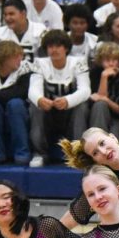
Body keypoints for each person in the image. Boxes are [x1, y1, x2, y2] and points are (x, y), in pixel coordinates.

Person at [28, 29, 90, 167]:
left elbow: (85, 90)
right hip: (48, 112)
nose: (54, 50)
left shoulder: (78, 62)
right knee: (35, 105)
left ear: (66, 48)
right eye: (50, 46)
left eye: (58, 46)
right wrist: (40, 99)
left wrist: (67, 101)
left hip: (69, 113)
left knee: (82, 105)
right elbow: (33, 89)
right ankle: (39, 153)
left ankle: (77, 152)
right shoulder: (39, 63)